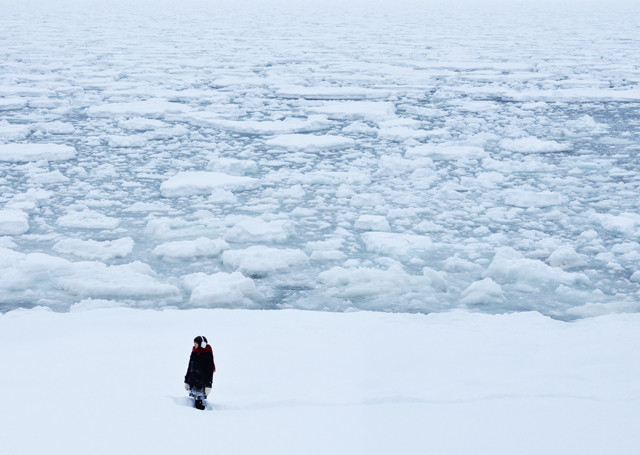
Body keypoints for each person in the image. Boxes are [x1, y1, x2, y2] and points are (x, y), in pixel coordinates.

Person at [184, 335, 215, 410]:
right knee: (194, 400)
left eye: (196, 343)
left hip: (201, 383)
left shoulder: (207, 353)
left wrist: (208, 385)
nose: (194, 345)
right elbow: (189, 366)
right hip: (192, 381)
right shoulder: (194, 351)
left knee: (199, 402)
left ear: (202, 344)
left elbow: (209, 371)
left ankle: (201, 415)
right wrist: (186, 381)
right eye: (194, 343)